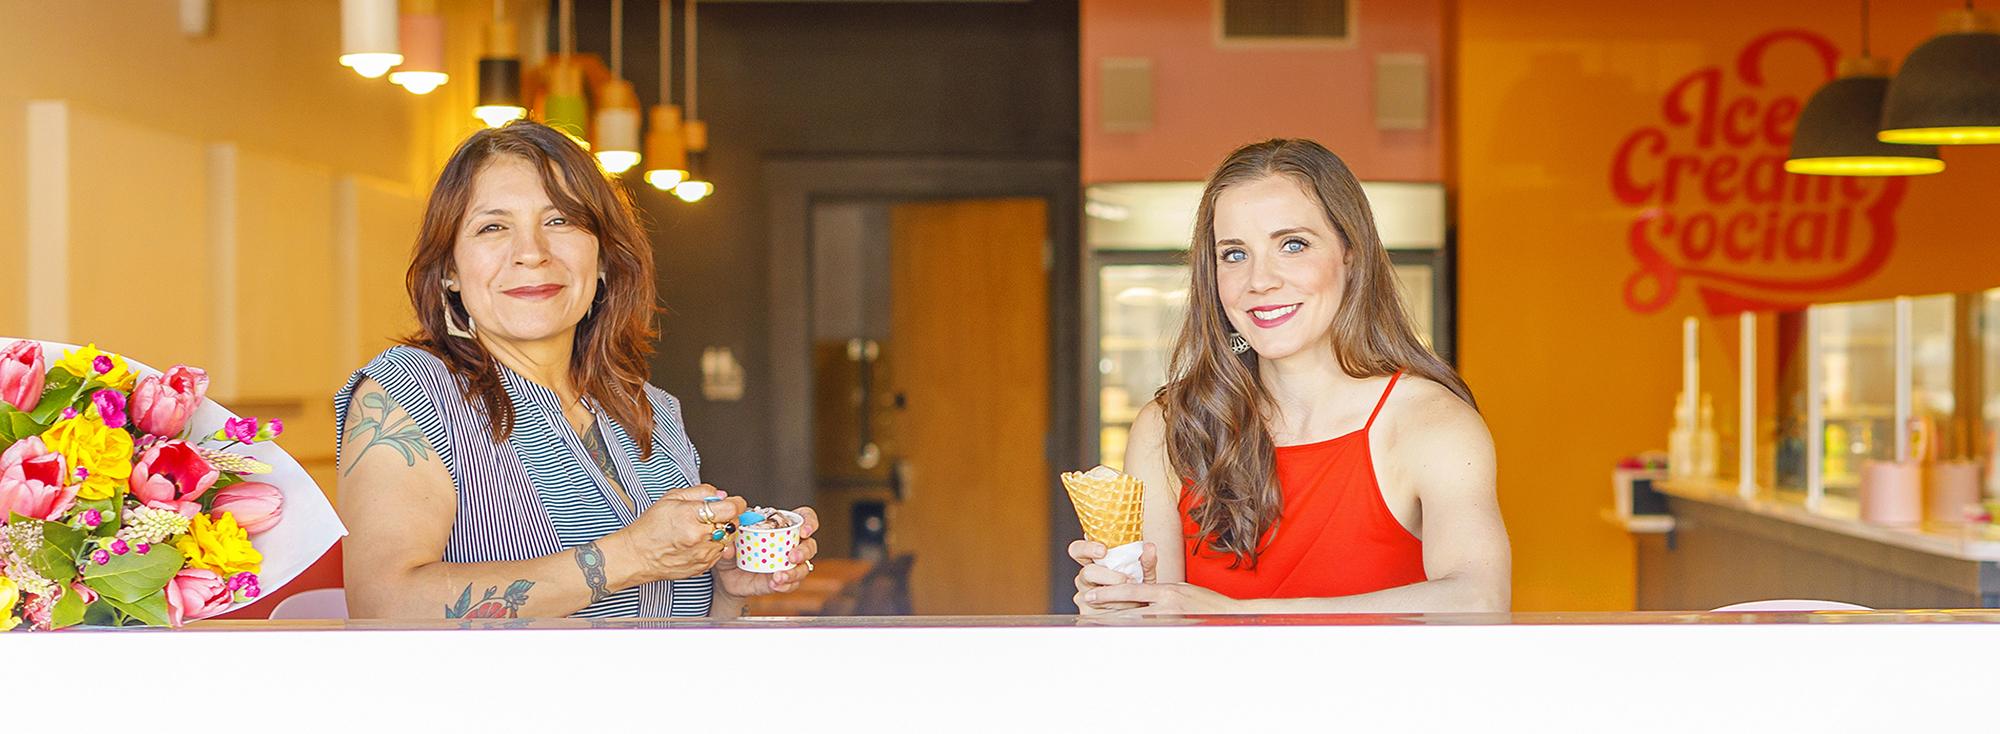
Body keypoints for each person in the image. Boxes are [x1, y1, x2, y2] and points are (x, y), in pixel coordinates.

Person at [337, 121, 817, 619]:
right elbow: (383, 605)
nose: (531, 253)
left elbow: (677, 631)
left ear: (604, 256)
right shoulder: (407, 392)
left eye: (560, 221)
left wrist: (728, 590)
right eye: (493, 227)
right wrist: (630, 555)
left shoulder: (652, 408)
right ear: (451, 270)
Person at [1072, 139, 1509, 614]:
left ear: (1351, 254)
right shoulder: (1168, 427)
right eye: (1234, 254)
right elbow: (1157, 639)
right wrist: (1127, 603)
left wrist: (1242, 614)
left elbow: (1479, 597)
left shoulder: (1433, 423)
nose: (1260, 280)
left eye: (1292, 245)